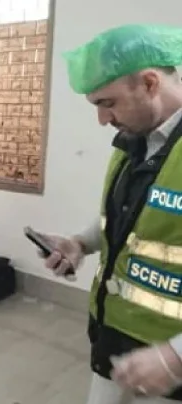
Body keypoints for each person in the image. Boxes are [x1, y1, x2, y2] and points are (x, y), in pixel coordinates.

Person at [39, 24, 182, 403]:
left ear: (150, 83)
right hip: (115, 336)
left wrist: (175, 357)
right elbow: (130, 217)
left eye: (108, 103)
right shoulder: (135, 140)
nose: (102, 120)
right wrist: (80, 243)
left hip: (168, 367)